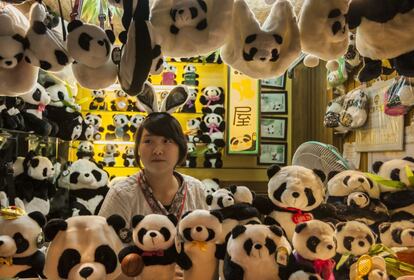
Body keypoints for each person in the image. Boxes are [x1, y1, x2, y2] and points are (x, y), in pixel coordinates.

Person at [99, 112, 208, 225]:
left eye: (166, 141)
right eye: (148, 141)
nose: (157, 151)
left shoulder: (196, 190)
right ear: (138, 148)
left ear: (180, 147)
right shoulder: (121, 195)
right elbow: (101, 239)